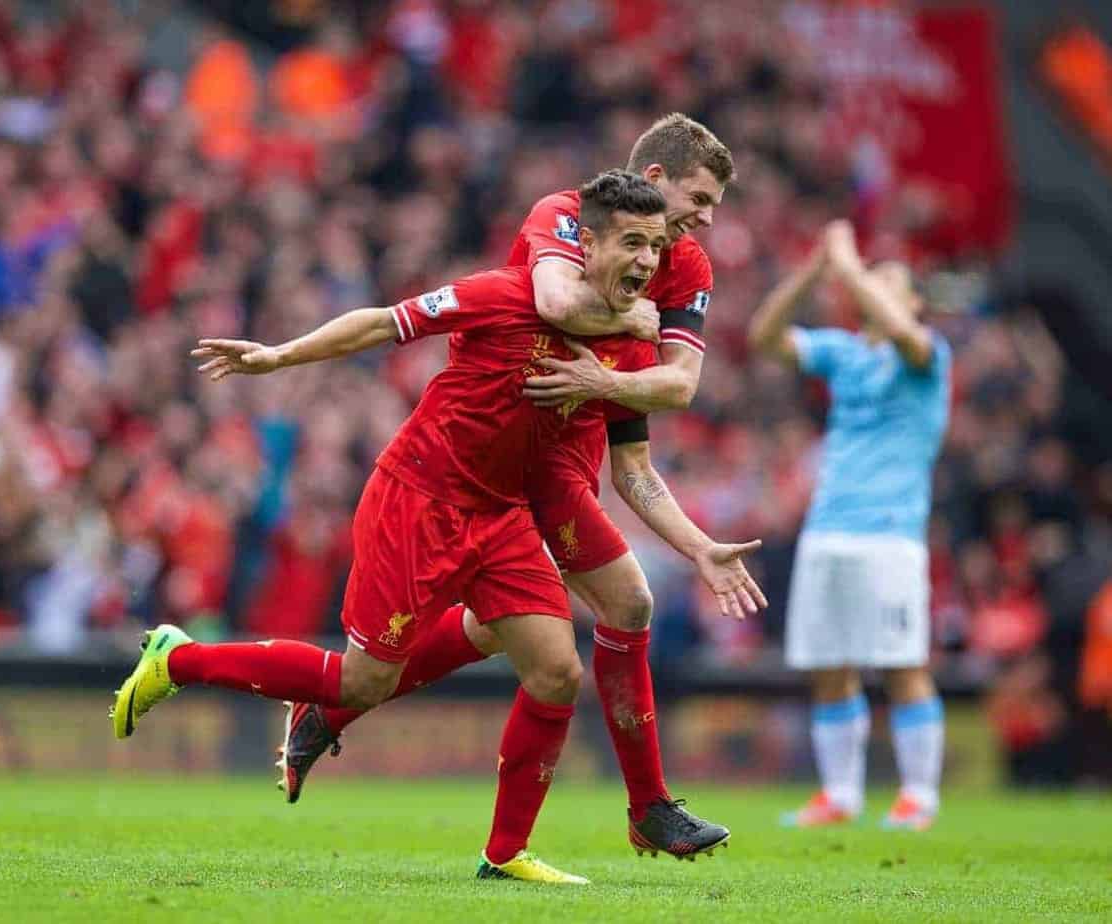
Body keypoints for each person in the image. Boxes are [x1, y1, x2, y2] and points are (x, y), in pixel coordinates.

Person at [112, 171, 765, 884]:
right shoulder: (507, 293)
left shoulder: (633, 350)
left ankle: (504, 854)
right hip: (419, 500)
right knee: (361, 682)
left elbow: (632, 464)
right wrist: (278, 355)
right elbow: (383, 322)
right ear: (590, 245)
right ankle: (177, 660)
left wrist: (697, 544)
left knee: (555, 672)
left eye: (652, 247)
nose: (647, 260)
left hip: (503, 516)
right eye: (631, 244)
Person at [283, 113, 740, 860]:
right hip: (516, 437)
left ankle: (334, 719)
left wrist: (697, 546)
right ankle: (648, 806)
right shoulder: (562, 216)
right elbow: (557, 306)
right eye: (700, 197)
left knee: (533, 627)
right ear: (654, 182)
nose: (707, 220)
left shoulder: (687, 268)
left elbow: (677, 391)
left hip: (582, 423)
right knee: (611, 608)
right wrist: (635, 322)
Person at [747, 220, 952, 831]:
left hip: (889, 533)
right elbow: (764, 336)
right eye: (868, 282)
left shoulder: (926, 355)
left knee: (901, 664)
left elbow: (901, 332)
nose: (873, 291)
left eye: (890, 284)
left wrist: (850, 264)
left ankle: (919, 795)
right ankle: (840, 796)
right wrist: (816, 270)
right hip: (827, 529)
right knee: (829, 664)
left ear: (913, 303)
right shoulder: (842, 352)